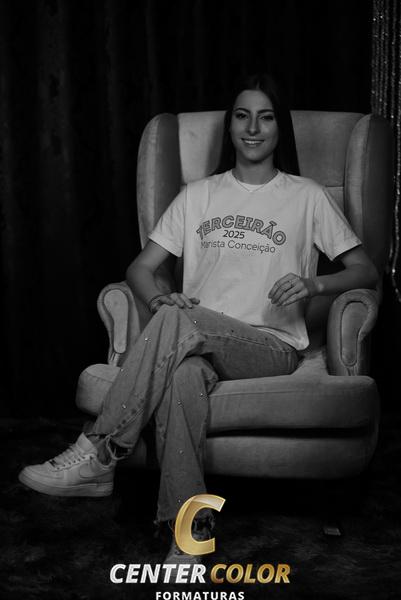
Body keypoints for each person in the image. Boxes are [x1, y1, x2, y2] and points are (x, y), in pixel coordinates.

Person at [18, 73, 378, 564]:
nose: (253, 128)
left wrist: (314, 285)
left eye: (266, 117)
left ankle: (100, 449)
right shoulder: (198, 196)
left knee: (182, 322)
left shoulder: (307, 195)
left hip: (270, 346)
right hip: (193, 340)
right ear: (230, 126)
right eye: (242, 116)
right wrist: (158, 301)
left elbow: (365, 270)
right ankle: (189, 537)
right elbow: (141, 269)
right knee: (184, 372)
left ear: (280, 128)